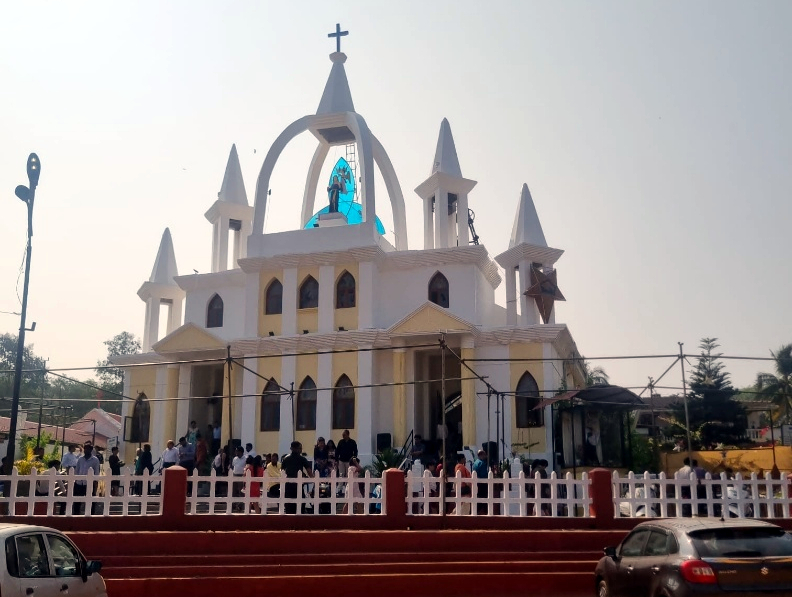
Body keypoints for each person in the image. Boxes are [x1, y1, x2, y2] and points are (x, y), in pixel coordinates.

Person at [281, 441, 310, 514]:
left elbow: (282, 471)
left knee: (289, 506)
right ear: (296, 449)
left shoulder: (285, 458)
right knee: (300, 506)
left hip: (288, 485)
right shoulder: (302, 459)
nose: (301, 450)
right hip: (298, 485)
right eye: (300, 448)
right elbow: (309, 471)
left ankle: (289, 523)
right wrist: (313, 479)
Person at [73, 442, 100, 514]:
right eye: (85, 449)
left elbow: (96, 472)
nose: (86, 450)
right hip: (79, 483)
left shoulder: (95, 460)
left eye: (88, 449)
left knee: (90, 501)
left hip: (89, 484)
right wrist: (75, 481)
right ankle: (76, 515)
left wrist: (95, 483)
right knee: (77, 501)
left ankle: (90, 515)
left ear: (91, 450)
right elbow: (77, 470)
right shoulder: (80, 459)